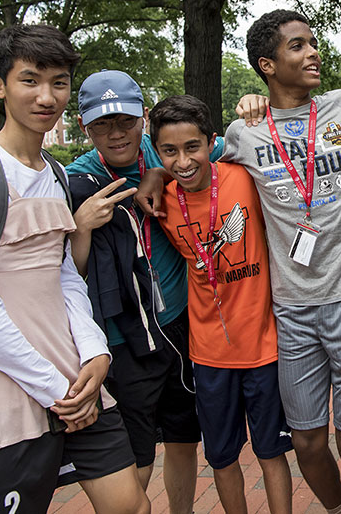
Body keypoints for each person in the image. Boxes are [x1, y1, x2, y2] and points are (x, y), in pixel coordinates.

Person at [0, 25, 148, 513]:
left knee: (130, 504)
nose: (47, 96)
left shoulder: (56, 172)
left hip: (75, 376)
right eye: (30, 80)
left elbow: (63, 271)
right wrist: (51, 388)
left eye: (60, 82)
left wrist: (94, 353)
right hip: (0, 381)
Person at [221, 9, 341, 514]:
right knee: (306, 442)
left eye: (313, 42)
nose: (313, 52)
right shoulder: (244, 133)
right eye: (297, 46)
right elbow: (192, 168)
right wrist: (152, 178)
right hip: (293, 308)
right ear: (267, 65)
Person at [68, 70, 209, 513]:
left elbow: (228, 146)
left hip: (180, 325)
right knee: (137, 455)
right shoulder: (76, 180)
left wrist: (157, 173)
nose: (115, 133)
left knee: (185, 439)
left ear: (143, 118)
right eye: (101, 125)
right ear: (83, 126)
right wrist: (81, 229)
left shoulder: (171, 153)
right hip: (125, 337)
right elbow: (69, 275)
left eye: (125, 121)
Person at [150, 94, 293, 514]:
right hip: (209, 354)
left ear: (211, 142)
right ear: (156, 151)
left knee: (271, 452)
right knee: (222, 457)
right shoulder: (160, 202)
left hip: (263, 347)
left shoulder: (244, 178)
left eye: (192, 147)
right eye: (169, 152)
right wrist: (153, 178)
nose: (182, 161)